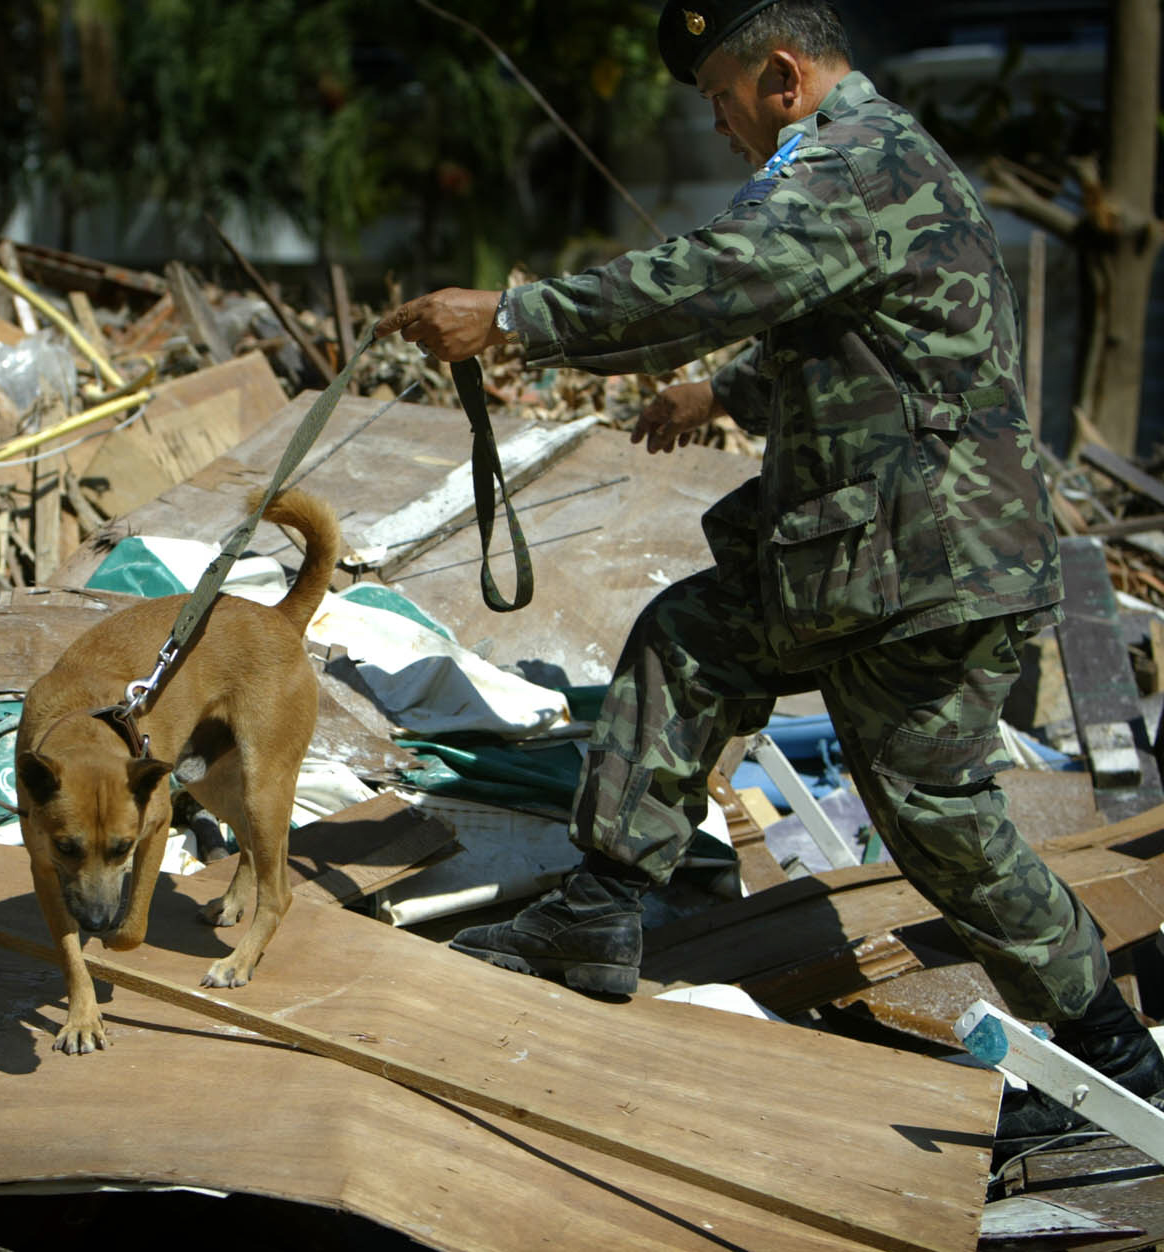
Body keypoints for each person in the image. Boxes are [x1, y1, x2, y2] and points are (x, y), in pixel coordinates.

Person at [375, 0, 1162, 1152]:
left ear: (783, 78)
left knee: (934, 813)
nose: (719, 126)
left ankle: (1116, 1070)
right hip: (906, 550)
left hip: (914, 557)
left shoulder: (844, 161)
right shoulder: (885, 159)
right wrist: (724, 394)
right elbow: (863, 320)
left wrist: (512, 318)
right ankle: (600, 908)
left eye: (720, 99)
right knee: (696, 646)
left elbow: (724, 272)